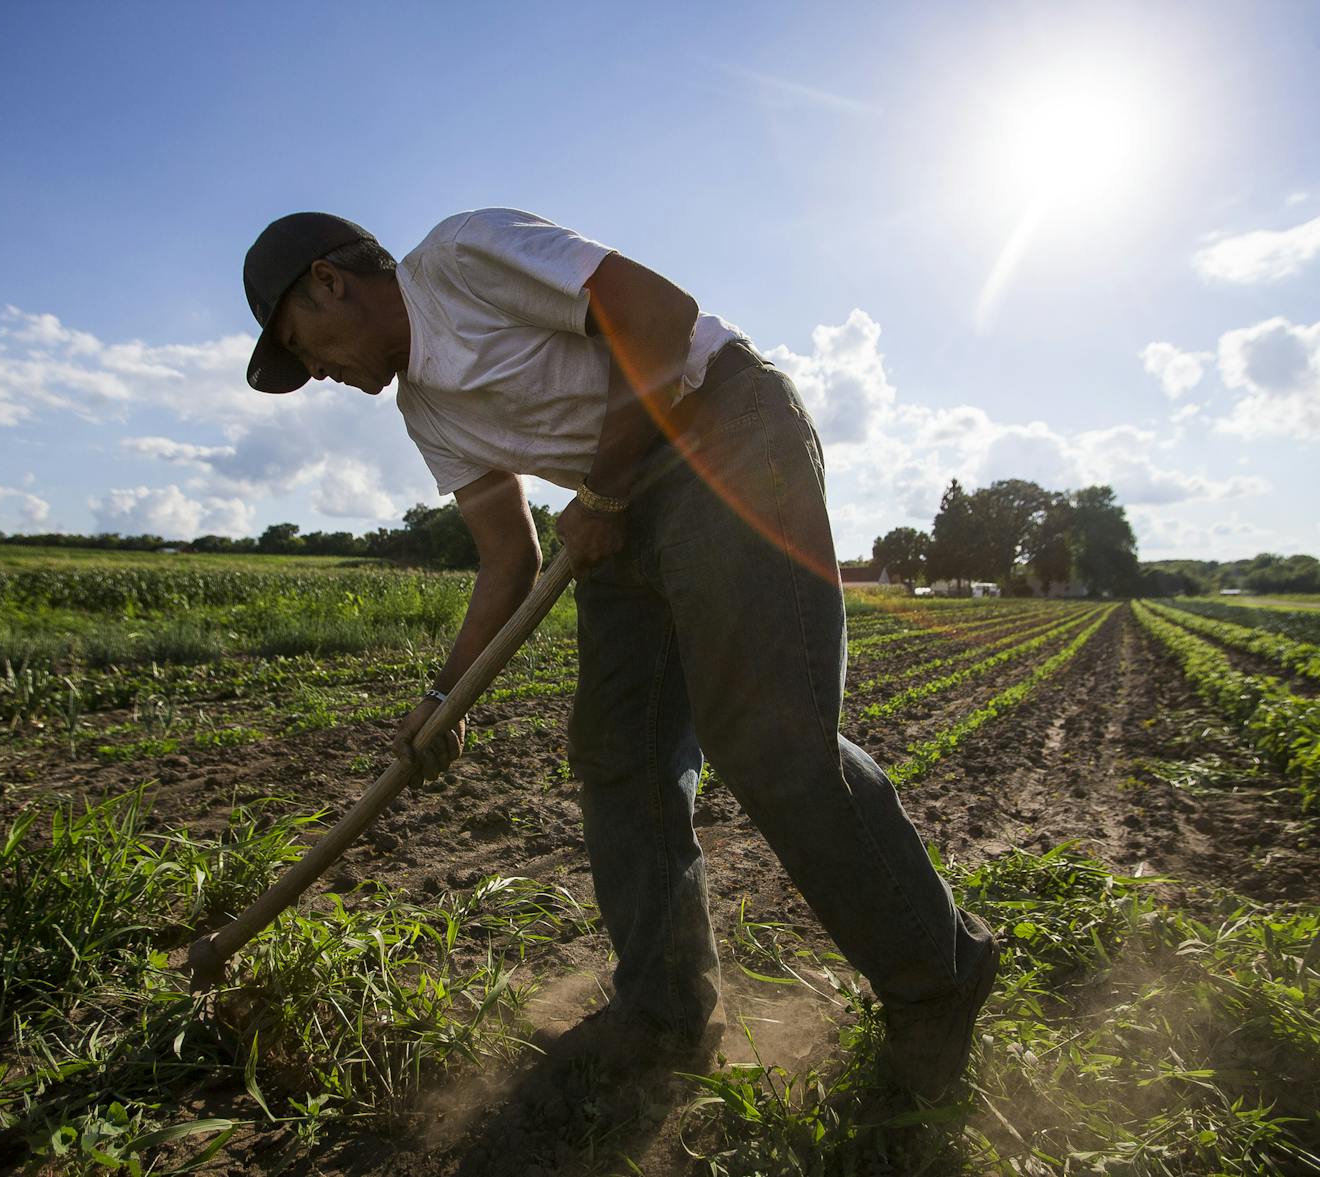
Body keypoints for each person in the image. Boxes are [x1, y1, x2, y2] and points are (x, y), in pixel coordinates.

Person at [242, 208, 999, 1100]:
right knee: (620, 754)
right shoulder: (426, 414)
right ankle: (664, 1011)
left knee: (768, 737)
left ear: (331, 281)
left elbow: (659, 315)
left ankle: (938, 977)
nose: (322, 372)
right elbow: (508, 559)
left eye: (307, 344)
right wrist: (443, 696)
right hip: (619, 506)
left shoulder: (457, 260)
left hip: (723, 434)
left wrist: (599, 488)